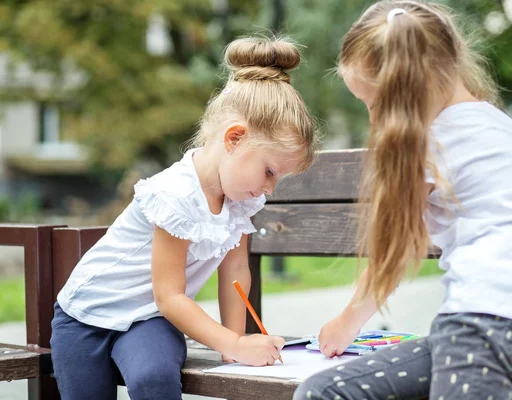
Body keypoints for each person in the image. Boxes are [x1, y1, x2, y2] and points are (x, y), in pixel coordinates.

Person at [293, 1, 512, 399]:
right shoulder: (502, 127)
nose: (374, 121)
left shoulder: (431, 141)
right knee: (322, 390)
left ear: (405, 93)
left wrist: (346, 322)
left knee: (322, 394)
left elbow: (396, 246)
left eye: (375, 105)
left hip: (479, 328)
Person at [50, 36, 319, 400]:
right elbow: (171, 296)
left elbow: (236, 272)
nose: (270, 188)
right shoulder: (175, 195)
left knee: (154, 378)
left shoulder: (240, 200)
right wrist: (237, 345)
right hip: (86, 317)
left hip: (149, 320)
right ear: (234, 138)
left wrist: (232, 342)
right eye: (269, 171)